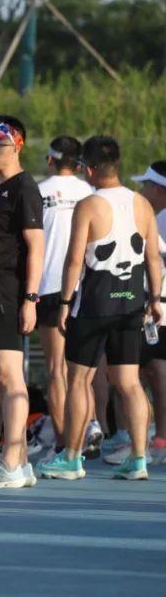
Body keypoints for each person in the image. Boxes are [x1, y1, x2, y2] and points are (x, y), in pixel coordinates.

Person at [40, 137, 162, 481]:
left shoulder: (89, 205)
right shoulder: (142, 204)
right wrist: (154, 300)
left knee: (79, 379)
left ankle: (71, 458)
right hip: (131, 303)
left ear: (89, 169)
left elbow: (74, 259)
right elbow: (153, 258)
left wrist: (64, 302)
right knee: (129, 382)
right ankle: (139, 459)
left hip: (95, 304)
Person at [0, 117, 44, 490]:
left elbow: (36, 246)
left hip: (8, 292)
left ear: (16, 146)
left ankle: (11, 463)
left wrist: (30, 298)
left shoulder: (23, 187)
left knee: (9, 375)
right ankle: (21, 461)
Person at [35, 136, 94, 456]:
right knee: (83, 371)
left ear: (50, 160)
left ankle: (62, 444)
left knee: (56, 369)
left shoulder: (39, 191)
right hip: (85, 286)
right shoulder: (89, 191)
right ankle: (87, 431)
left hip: (49, 287)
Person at [133, 161, 166, 465]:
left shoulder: (161, 219)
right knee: (145, 371)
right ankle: (144, 440)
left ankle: (159, 440)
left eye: (145, 185)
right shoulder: (152, 216)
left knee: (156, 370)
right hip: (149, 305)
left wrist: (154, 300)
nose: (141, 189)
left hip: (159, 307)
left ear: (158, 189)